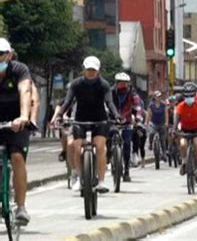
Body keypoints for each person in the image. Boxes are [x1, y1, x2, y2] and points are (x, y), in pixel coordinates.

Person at [57, 56, 121, 193]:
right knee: (76, 145)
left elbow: (109, 103)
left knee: (100, 147)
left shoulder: (103, 85)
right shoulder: (76, 84)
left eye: (94, 70)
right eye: (88, 69)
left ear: (98, 71)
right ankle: (80, 178)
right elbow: (67, 101)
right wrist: (59, 115)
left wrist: (116, 115)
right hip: (80, 119)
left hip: (100, 120)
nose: (91, 72)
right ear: (83, 70)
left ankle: (101, 181)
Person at [0, 38, 33, 225]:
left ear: (9, 55)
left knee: (17, 157)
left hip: (16, 122)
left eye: (1, 55)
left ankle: (21, 207)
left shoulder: (20, 70)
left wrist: (23, 116)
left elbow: (26, 91)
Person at [111, 72, 144, 181]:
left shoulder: (132, 93)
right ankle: (109, 157)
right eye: (121, 82)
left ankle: (126, 171)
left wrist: (138, 117)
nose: (123, 85)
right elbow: (105, 104)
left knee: (126, 145)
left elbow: (138, 105)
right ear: (116, 83)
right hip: (113, 121)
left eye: (125, 83)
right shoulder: (111, 92)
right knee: (106, 137)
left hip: (127, 122)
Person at [172, 82, 197, 180]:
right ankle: (184, 163)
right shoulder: (181, 106)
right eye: (187, 95)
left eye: (191, 95)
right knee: (183, 144)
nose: (189, 98)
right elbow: (176, 119)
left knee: (196, 143)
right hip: (185, 130)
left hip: (196, 129)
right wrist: (174, 129)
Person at [145, 90, 169, 162]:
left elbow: (166, 114)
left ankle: (164, 153)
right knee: (151, 133)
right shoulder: (151, 105)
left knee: (162, 139)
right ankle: (150, 144)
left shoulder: (163, 104)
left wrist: (166, 123)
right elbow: (149, 114)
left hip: (162, 123)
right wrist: (147, 122)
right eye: (157, 96)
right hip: (154, 123)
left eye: (160, 96)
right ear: (154, 97)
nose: (159, 98)